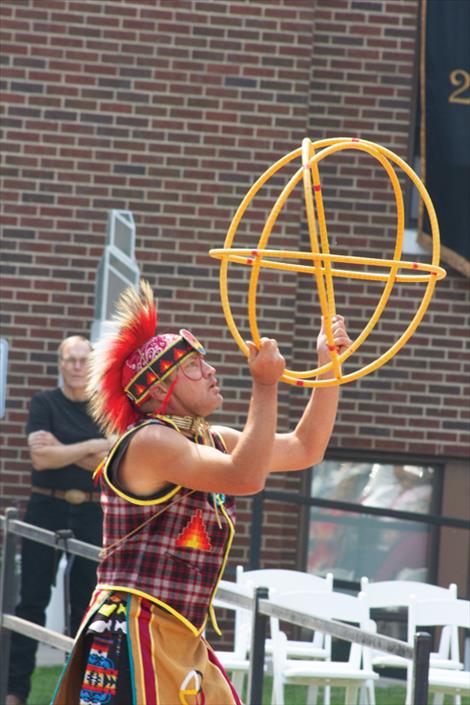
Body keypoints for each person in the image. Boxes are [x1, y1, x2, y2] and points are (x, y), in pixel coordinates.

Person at [51, 280, 351, 705]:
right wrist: (265, 386)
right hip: (135, 629)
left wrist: (329, 365)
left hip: (180, 634)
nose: (210, 370)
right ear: (157, 389)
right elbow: (247, 477)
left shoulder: (205, 438)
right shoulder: (150, 440)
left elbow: (306, 448)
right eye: (193, 366)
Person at [6, 336, 114, 705]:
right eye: (71, 359)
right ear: (60, 363)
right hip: (45, 508)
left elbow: (110, 461)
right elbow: (41, 461)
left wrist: (64, 449)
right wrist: (92, 446)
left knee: (86, 607)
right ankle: (15, 692)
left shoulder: (104, 409)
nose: (78, 366)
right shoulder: (43, 403)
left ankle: (77, 696)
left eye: (85, 360)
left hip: (91, 510)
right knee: (31, 601)